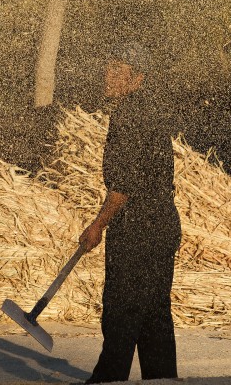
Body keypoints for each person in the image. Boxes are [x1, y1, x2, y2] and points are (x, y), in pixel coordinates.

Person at [79, 41, 182, 382]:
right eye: (107, 67)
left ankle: (106, 380)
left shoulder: (128, 115)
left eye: (117, 70)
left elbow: (122, 185)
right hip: (162, 225)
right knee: (153, 314)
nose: (107, 75)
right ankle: (162, 379)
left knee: (122, 312)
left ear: (138, 79)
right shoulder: (149, 110)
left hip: (139, 228)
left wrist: (98, 225)